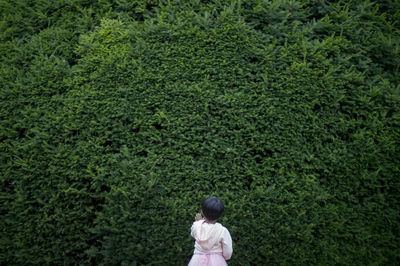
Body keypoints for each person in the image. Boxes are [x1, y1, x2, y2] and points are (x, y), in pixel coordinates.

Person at [188, 196, 233, 266]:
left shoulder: (196, 225)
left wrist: (199, 222)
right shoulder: (222, 231)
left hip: (197, 260)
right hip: (217, 261)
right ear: (220, 214)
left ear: (202, 211)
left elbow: (193, 234)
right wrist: (224, 257)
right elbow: (228, 251)